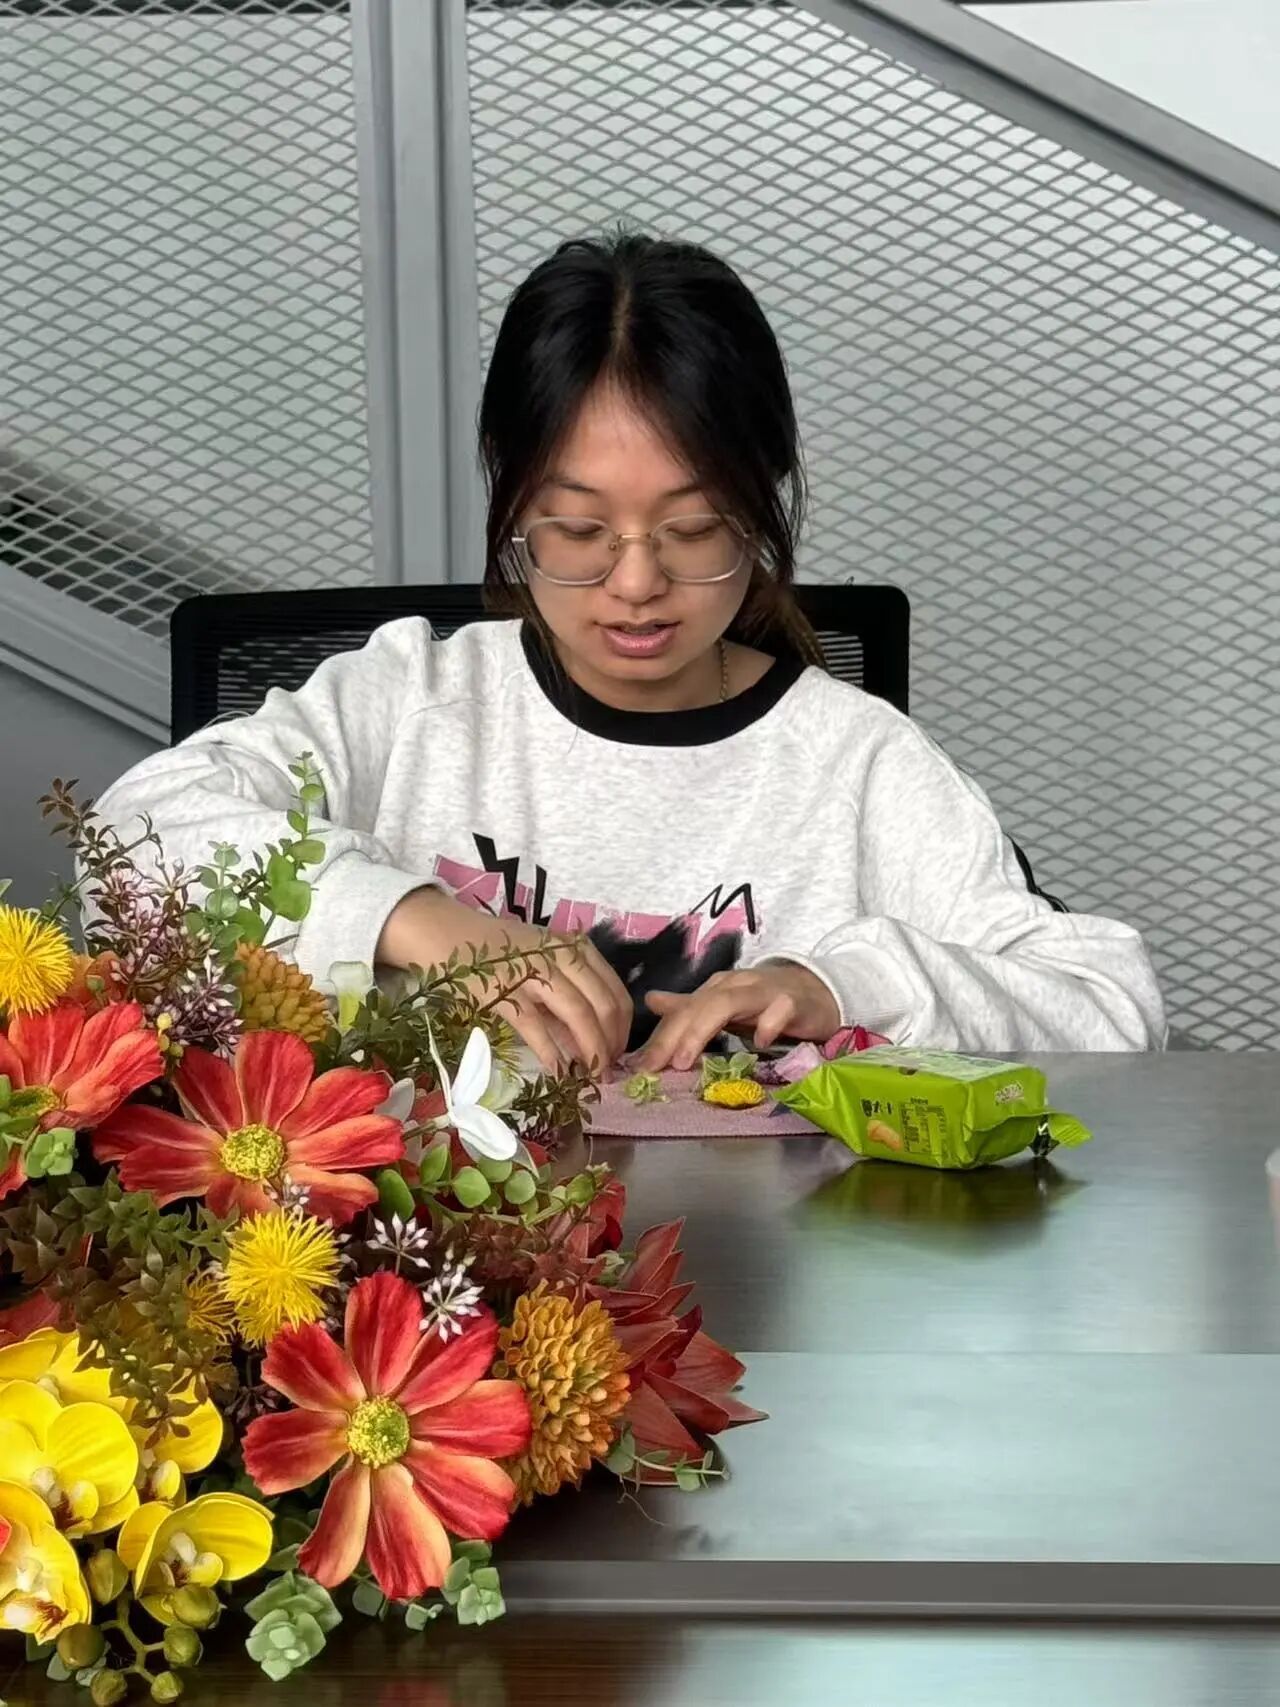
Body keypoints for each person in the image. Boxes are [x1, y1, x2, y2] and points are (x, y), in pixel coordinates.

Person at [97, 232, 1165, 1071]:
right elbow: (130, 840)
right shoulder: (414, 702)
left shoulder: (856, 764)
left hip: (768, 1265)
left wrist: (844, 985)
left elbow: (1112, 1007)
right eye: (577, 530)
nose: (637, 582)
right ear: (512, 500)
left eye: (694, 529)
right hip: (426, 1261)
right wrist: (417, 920)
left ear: (762, 503)